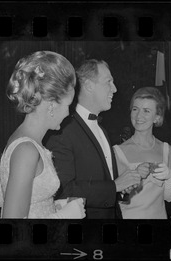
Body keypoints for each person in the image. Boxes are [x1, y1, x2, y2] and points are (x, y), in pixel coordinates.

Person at [44, 59, 141, 219]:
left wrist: (122, 189)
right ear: (88, 85)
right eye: (108, 82)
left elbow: (106, 186)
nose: (115, 89)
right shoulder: (62, 130)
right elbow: (63, 190)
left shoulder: (102, 130)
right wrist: (114, 186)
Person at [0, 51, 86, 219]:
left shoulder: (31, 143)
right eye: (69, 104)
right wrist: (64, 216)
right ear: (52, 104)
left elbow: (33, 204)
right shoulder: (26, 149)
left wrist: (57, 206)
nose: (69, 113)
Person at [113, 87, 171, 219]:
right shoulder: (117, 151)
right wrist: (134, 177)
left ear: (157, 117)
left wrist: (169, 177)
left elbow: (170, 197)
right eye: (135, 109)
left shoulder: (167, 149)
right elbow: (118, 200)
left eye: (146, 111)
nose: (138, 116)